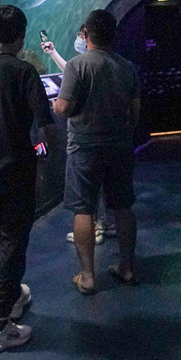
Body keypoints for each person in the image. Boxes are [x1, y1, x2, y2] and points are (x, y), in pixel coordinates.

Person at [0, 5, 57, 352]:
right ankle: (0, 326)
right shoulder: (25, 72)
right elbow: (45, 127)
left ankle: (14, 295)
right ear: (22, 35)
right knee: (14, 242)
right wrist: (44, 159)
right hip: (19, 169)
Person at [53, 9, 141, 294]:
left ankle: (88, 276)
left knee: (83, 208)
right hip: (119, 144)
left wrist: (57, 105)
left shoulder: (77, 65)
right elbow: (135, 111)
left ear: (86, 34)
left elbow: (63, 107)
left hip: (84, 145)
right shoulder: (127, 67)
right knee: (122, 206)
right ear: (113, 35)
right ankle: (127, 267)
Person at [42, 26, 115, 245]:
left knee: (84, 196)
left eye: (80, 34)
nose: (78, 39)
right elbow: (72, 70)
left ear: (87, 36)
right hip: (114, 138)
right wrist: (53, 52)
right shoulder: (117, 64)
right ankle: (107, 225)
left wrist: (56, 105)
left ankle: (95, 228)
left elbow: (65, 102)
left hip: (86, 137)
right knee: (109, 187)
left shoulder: (84, 63)